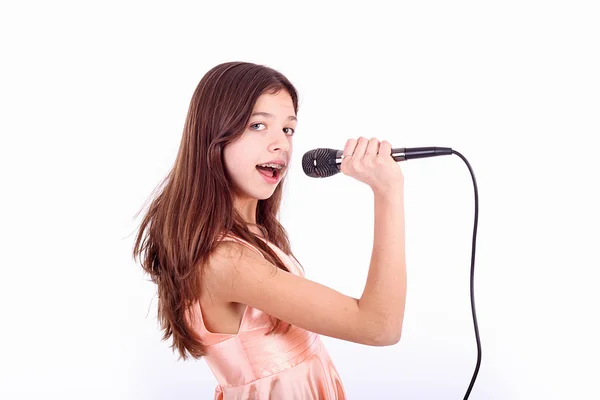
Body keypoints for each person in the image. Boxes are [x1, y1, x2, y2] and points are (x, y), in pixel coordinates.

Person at [132, 61, 407, 399]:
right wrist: (388, 193)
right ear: (213, 135)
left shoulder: (254, 234)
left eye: (288, 129)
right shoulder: (227, 259)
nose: (281, 144)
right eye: (259, 125)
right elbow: (379, 327)